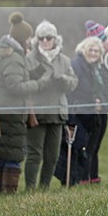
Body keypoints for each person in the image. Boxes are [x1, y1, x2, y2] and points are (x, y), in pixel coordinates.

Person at [0, 12, 49, 194]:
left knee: (7, 155)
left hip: (10, 112)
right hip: (12, 113)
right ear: (23, 39)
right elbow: (14, 86)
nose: (31, 41)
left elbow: (16, 78)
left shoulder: (14, 56)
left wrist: (33, 74)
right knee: (13, 155)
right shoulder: (15, 58)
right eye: (29, 37)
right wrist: (38, 84)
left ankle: (2, 193)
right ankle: (8, 195)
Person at [25, 20, 78, 190]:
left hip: (58, 112)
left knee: (53, 155)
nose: (46, 41)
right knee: (34, 154)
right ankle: (30, 188)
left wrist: (62, 80)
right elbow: (25, 83)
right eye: (42, 38)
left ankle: (44, 187)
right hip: (37, 113)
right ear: (37, 39)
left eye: (49, 37)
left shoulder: (64, 60)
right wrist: (42, 81)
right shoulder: (30, 59)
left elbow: (74, 81)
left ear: (56, 39)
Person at [61, 36, 108, 185]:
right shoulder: (75, 65)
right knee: (78, 147)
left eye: (97, 51)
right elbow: (72, 91)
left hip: (94, 115)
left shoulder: (98, 68)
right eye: (91, 50)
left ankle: (85, 179)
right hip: (77, 114)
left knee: (90, 149)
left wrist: (101, 102)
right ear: (83, 50)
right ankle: (73, 180)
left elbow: (102, 90)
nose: (94, 53)